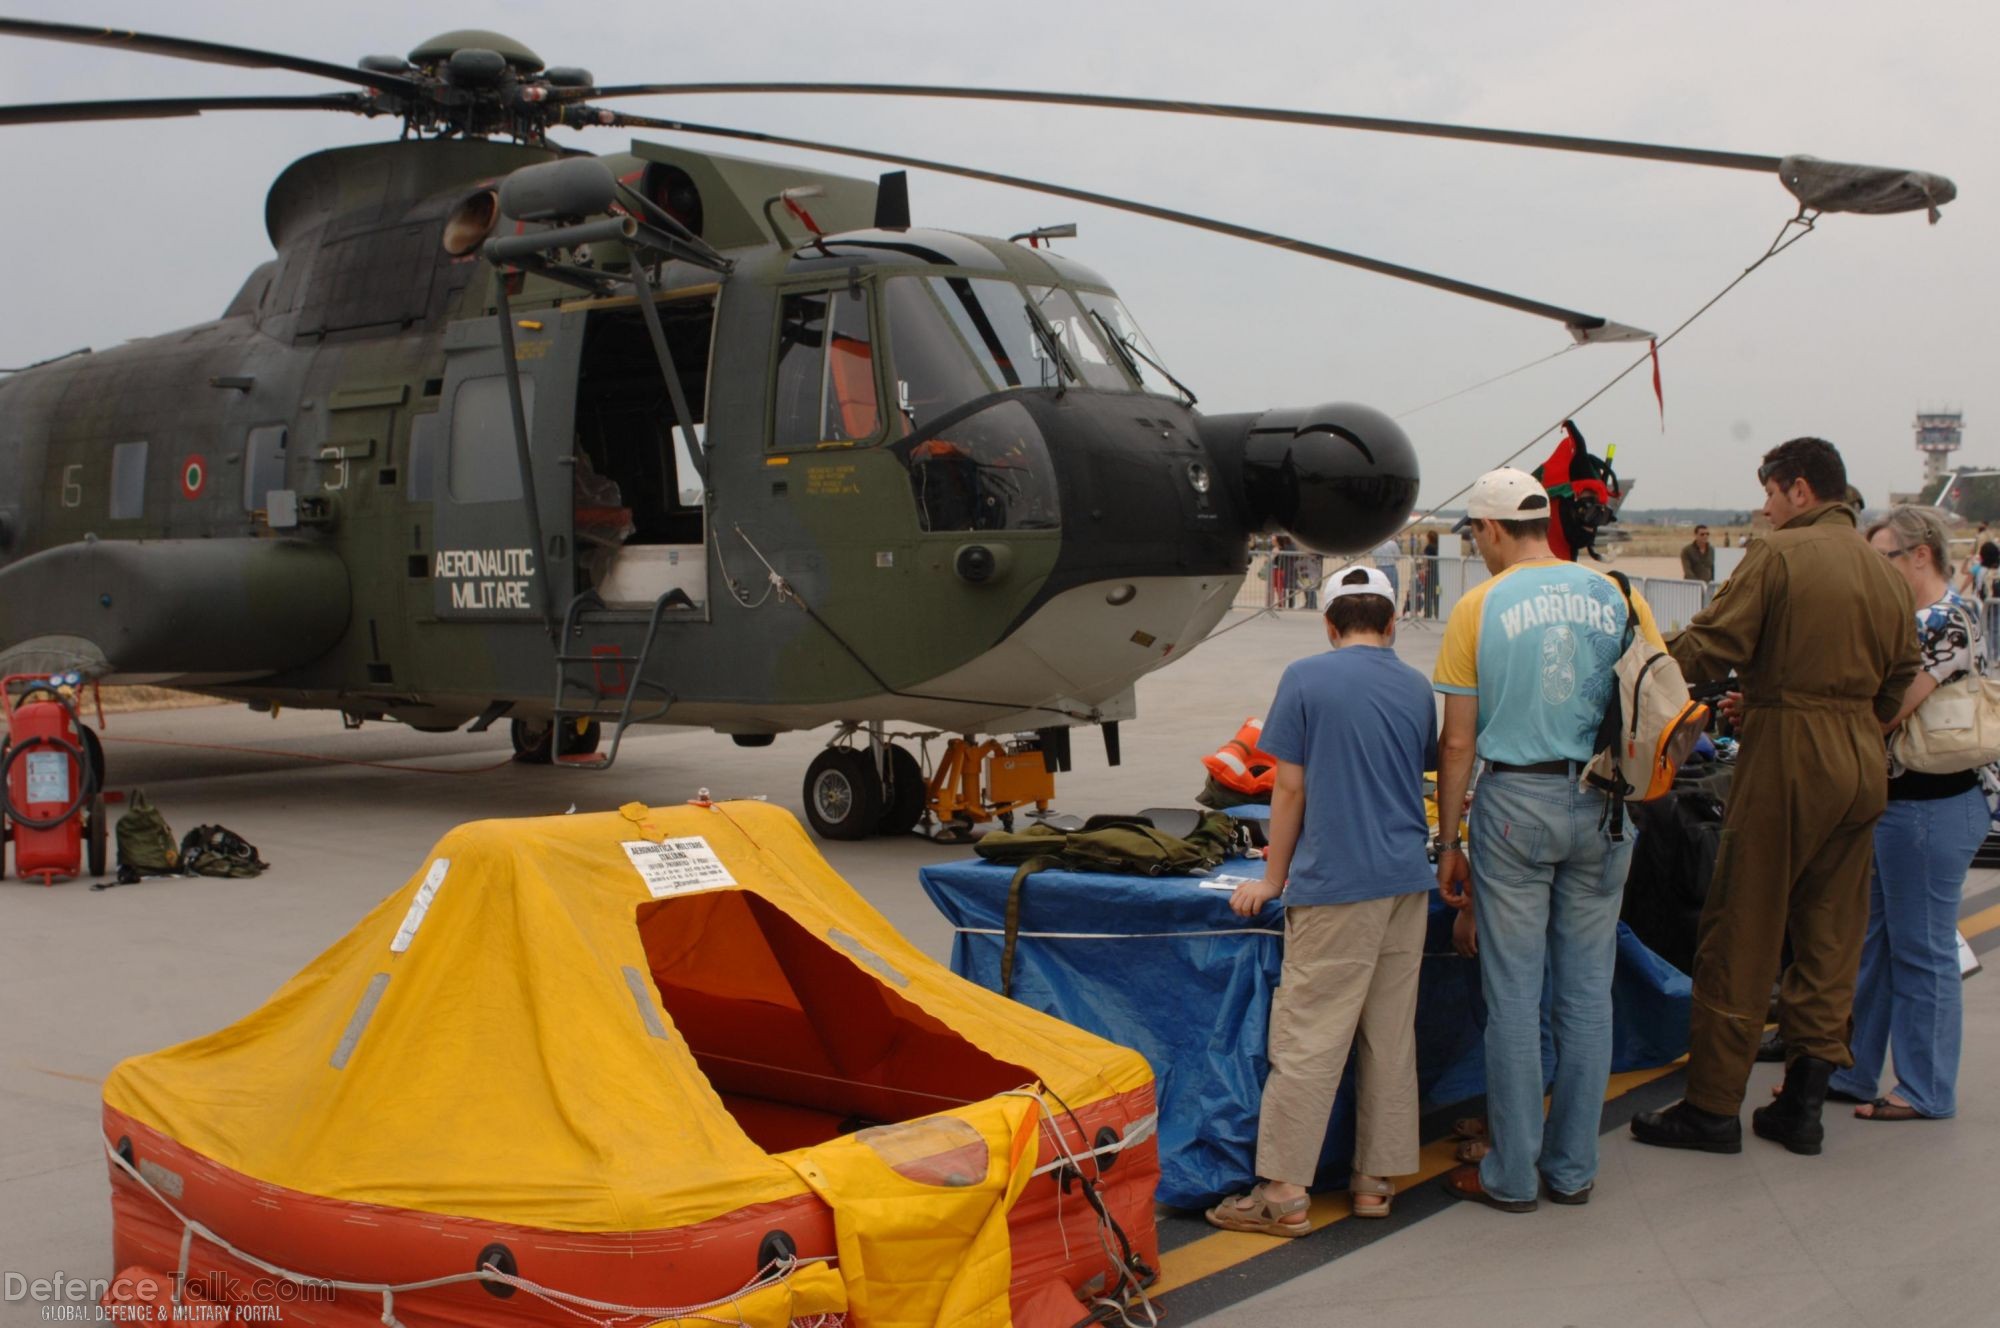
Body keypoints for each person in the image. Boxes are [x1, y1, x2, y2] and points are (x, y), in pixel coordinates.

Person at [1632, 438, 1917, 1157]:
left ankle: (1713, 1108)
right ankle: (1805, 1106)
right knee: (1829, 931)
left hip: (1791, 752)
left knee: (1743, 925)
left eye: (1767, 493)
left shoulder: (1779, 555)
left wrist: (1634, 661)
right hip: (1861, 755)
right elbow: (1901, 675)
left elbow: (1711, 646)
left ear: (1796, 489)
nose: (1762, 509)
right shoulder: (1885, 574)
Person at [1431, 468, 1665, 1212]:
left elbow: (1458, 742)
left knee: (1514, 994)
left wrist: (1448, 841)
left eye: (1476, 534)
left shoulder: (1479, 605)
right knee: (1588, 995)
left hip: (1517, 804)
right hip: (1604, 803)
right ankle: (1572, 1168)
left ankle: (1511, 1172)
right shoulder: (1619, 593)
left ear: (1492, 530)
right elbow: (1661, 697)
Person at [1207, 566, 1438, 1236]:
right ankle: (1375, 1181)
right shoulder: (1416, 686)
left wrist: (1273, 879)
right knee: (1390, 1037)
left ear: (1329, 623)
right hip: (1404, 882)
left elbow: (1288, 789)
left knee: (1309, 1038)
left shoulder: (1306, 677)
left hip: (1337, 885)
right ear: (1392, 623)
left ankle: (1282, 1192)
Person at [1829, 506, 1987, 1121]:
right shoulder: (1936, 614)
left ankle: (1923, 1089)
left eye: (1883, 560)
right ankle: (1857, 1068)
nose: (1874, 573)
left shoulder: (1938, 622)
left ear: (1918, 556)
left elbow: (1884, 713)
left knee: (1920, 952)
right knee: (1878, 948)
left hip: (1927, 808)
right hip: (1905, 808)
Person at [1422, 530, 1442, 618]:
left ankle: (1428, 614)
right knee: (1437, 593)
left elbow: (1426, 560)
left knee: (1428, 594)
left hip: (1430, 572)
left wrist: (1423, 569)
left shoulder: (1429, 547)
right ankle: (1438, 613)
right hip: (1438, 573)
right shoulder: (1439, 547)